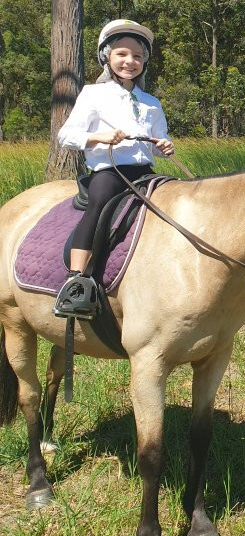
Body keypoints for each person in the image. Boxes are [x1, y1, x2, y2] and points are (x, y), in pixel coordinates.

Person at [54, 19, 175, 318]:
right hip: (110, 171)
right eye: (122, 54)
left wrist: (164, 145)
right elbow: (66, 136)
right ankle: (76, 280)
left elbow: (157, 140)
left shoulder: (151, 102)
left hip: (145, 172)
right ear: (106, 57)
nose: (130, 61)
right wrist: (99, 137)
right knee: (98, 205)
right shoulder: (93, 94)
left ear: (144, 62)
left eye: (137, 56)